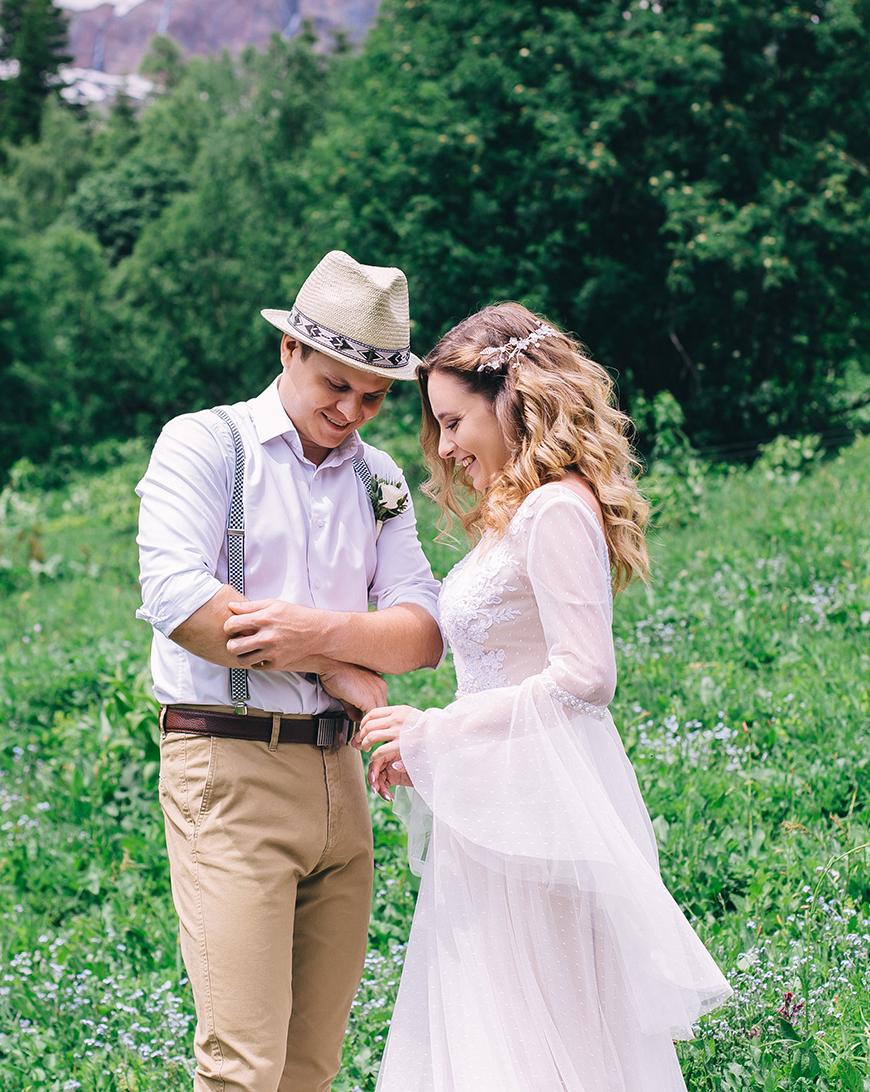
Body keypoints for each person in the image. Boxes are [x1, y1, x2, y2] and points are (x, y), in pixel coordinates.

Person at [357, 303, 729, 1092]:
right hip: (490, 809)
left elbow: (586, 676)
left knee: (549, 1036)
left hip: (539, 812)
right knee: (492, 1032)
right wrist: (433, 749)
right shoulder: (513, 514)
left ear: (511, 395)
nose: (448, 446)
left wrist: (439, 730)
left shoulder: (558, 506)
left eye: (455, 421)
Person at [135, 251, 446, 1092]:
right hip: (228, 769)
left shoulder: (380, 479)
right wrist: (334, 659)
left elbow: (420, 633)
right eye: (335, 385)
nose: (351, 411)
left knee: (311, 1066)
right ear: (289, 354)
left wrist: (314, 638)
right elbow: (179, 599)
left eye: (373, 396)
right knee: (242, 1064)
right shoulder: (205, 444)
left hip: (344, 778)